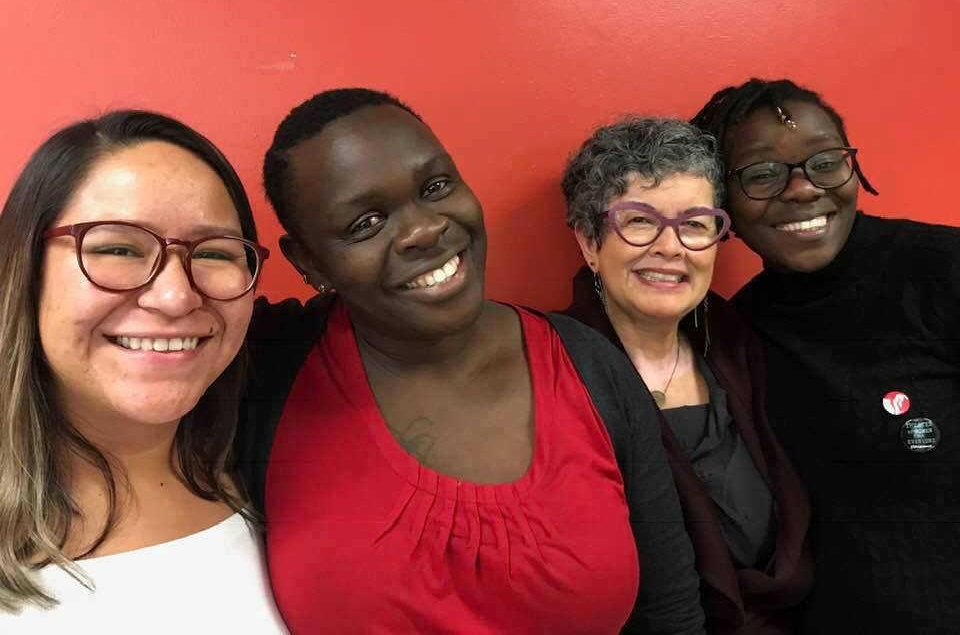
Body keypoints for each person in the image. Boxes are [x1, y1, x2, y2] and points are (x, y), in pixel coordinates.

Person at [236, 88, 707, 634]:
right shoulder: (267, 371)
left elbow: (670, 613)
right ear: (310, 262)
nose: (424, 229)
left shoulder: (589, 367)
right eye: (366, 223)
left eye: (436, 187)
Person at [0, 111, 286, 633]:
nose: (176, 297)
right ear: (26, 269)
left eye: (215, 253)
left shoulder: (271, 473)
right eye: (118, 248)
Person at [692, 78, 960, 633]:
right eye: (762, 174)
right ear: (722, 203)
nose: (803, 188)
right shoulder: (734, 338)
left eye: (825, 162)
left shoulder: (941, 270)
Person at [559, 116, 812, 634]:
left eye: (695, 224)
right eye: (639, 221)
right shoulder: (558, 370)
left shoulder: (739, 346)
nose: (671, 247)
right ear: (589, 242)